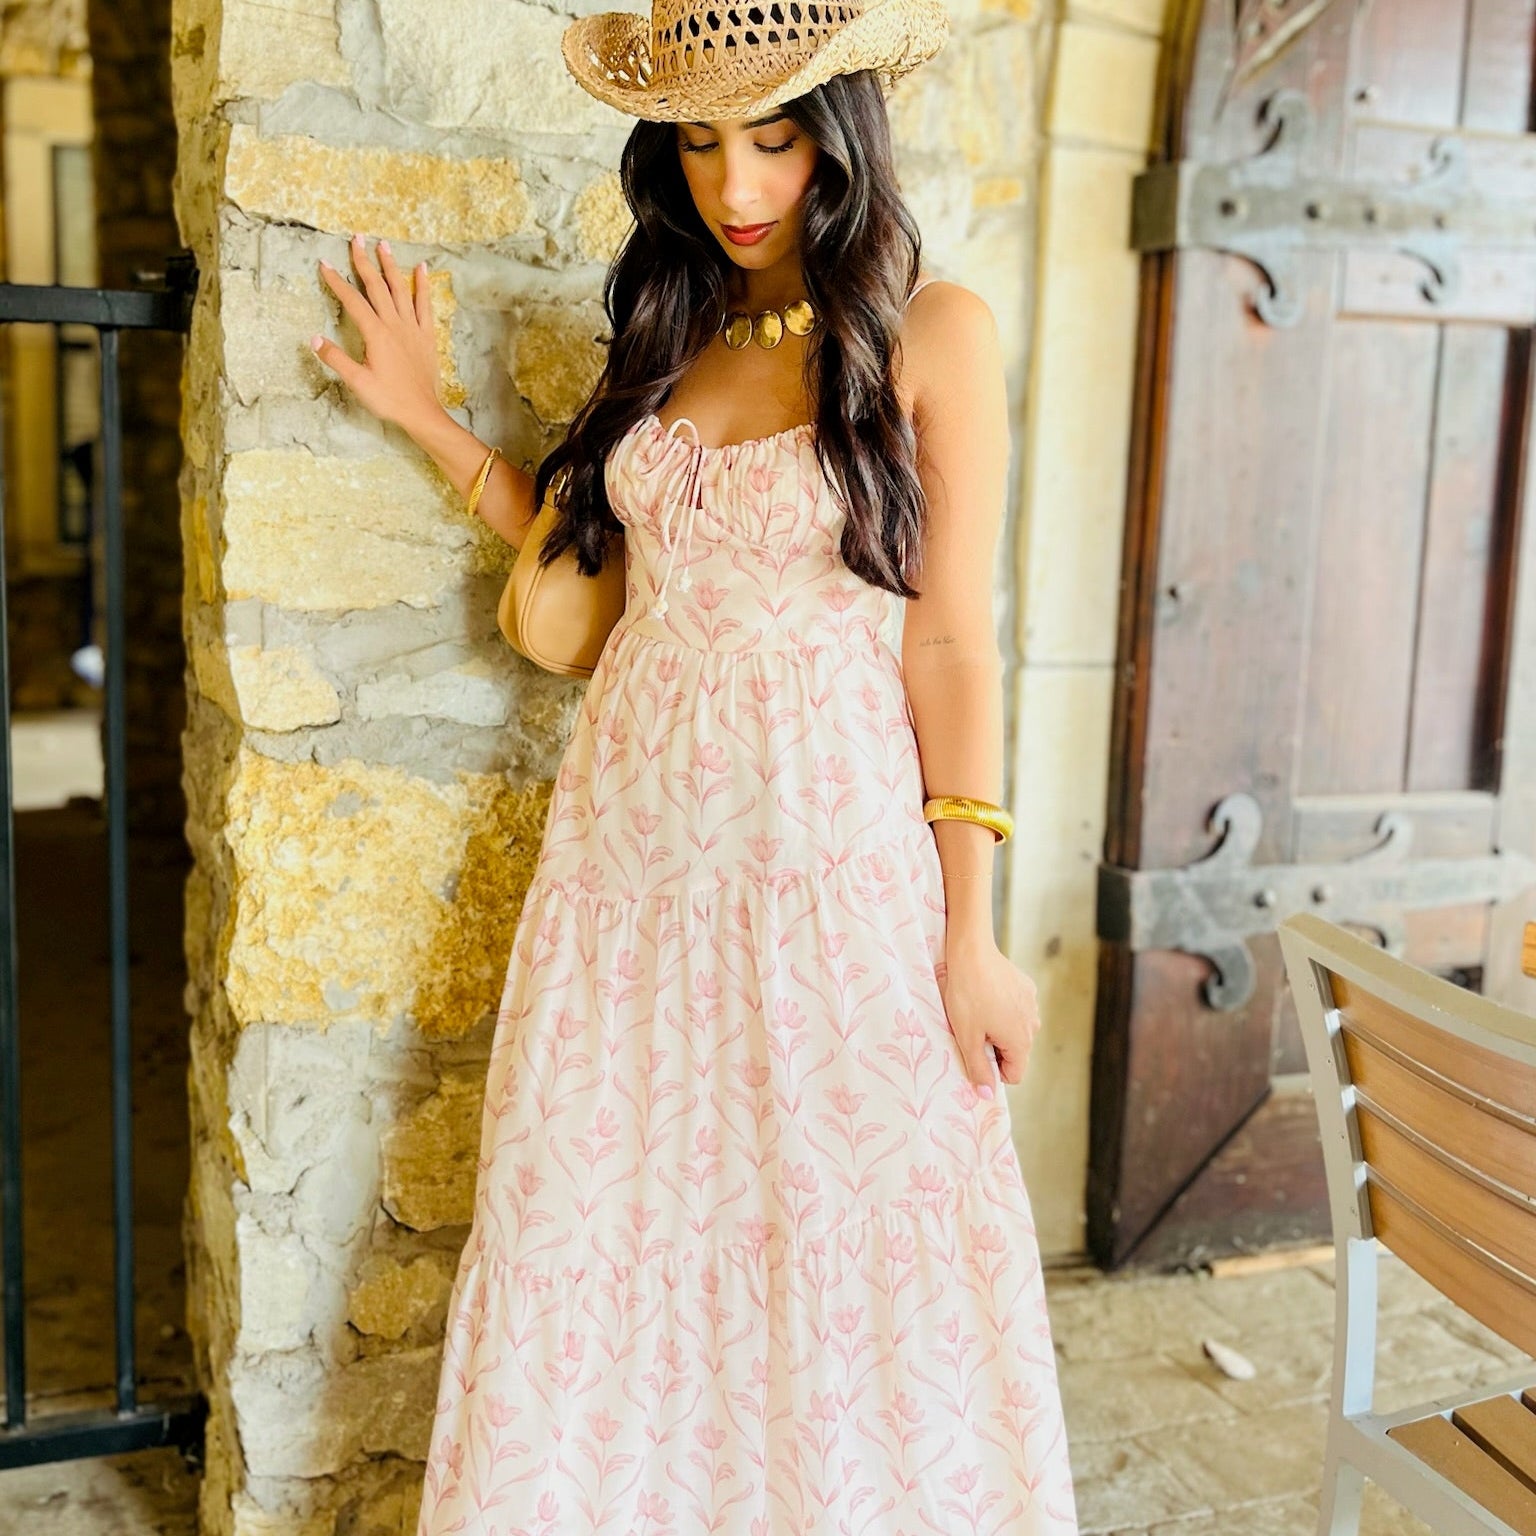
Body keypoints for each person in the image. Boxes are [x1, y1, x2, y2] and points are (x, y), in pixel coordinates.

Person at [311, 1, 1078, 1529]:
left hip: (830, 883)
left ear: (841, 137)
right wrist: (430, 421)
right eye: (703, 142)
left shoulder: (935, 331)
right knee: (610, 1227)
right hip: (627, 881)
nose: (737, 185)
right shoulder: (673, 332)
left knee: (849, 1245)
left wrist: (972, 933)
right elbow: (596, 582)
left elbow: (952, 644)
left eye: (775, 141)